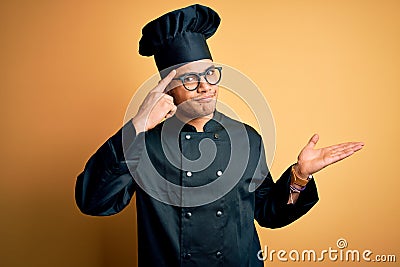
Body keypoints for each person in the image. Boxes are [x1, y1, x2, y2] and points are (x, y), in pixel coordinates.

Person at [75, 4, 363, 267]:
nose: (205, 87)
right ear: (166, 89)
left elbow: (268, 213)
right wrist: (137, 125)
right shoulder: (144, 144)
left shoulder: (247, 139)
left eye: (210, 73)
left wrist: (300, 176)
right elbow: (93, 201)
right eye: (190, 79)